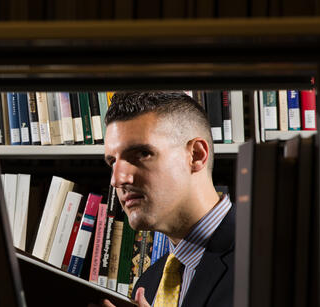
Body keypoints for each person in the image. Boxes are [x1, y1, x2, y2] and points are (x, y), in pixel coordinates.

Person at [99, 92, 234, 307]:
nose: (117, 179)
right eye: (112, 162)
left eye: (142, 153)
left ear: (196, 155)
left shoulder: (265, 260)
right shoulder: (149, 284)